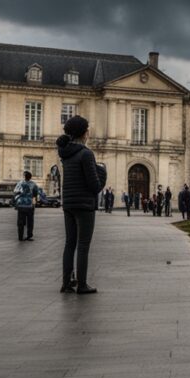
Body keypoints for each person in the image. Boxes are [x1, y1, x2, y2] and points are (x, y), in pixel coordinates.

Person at [57, 115, 105, 295]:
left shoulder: (65, 153)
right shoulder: (86, 153)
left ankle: (66, 282)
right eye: (87, 129)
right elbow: (94, 186)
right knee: (83, 244)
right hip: (84, 204)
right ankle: (82, 284)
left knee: (70, 243)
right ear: (84, 132)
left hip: (68, 203)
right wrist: (102, 174)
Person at [13, 171, 39, 241]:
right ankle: (29, 236)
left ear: (24, 176)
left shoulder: (20, 183)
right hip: (29, 206)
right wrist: (33, 204)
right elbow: (35, 195)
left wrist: (16, 204)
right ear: (30, 177)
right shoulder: (33, 184)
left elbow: (15, 193)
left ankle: (20, 237)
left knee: (20, 222)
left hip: (21, 205)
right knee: (30, 222)